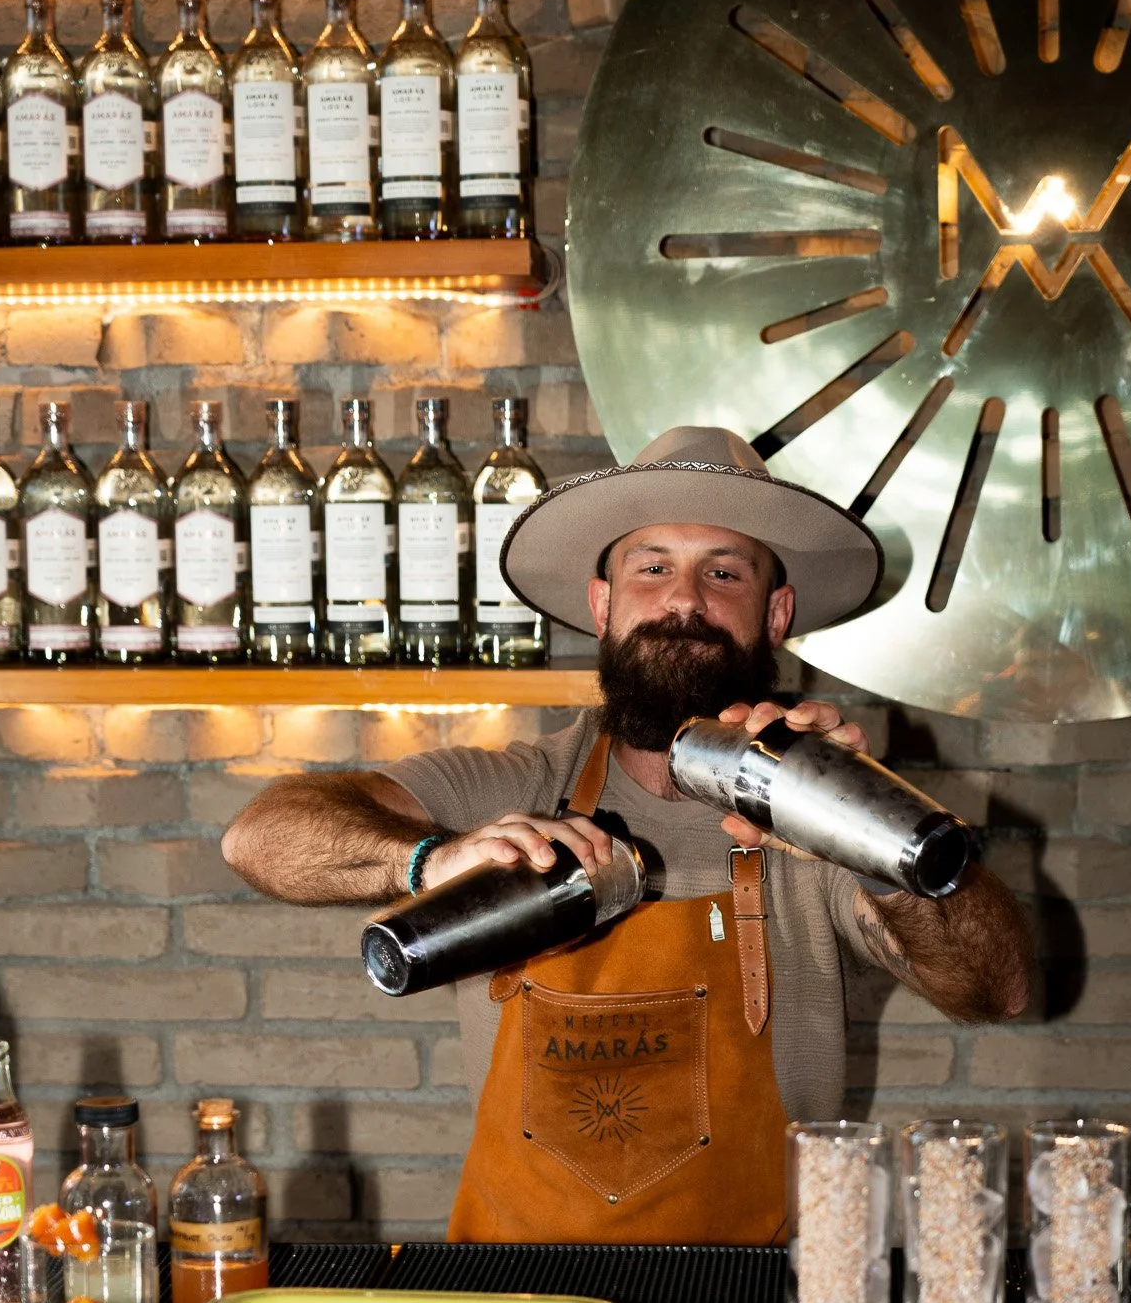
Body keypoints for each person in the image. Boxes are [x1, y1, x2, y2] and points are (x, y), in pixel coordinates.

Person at [223, 425, 1032, 1244]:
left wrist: (871, 826)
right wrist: (432, 857)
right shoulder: (512, 786)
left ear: (775, 612)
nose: (684, 601)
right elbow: (258, 837)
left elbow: (993, 989)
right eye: (652, 567)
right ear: (603, 605)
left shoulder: (818, 815)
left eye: (724, 572)